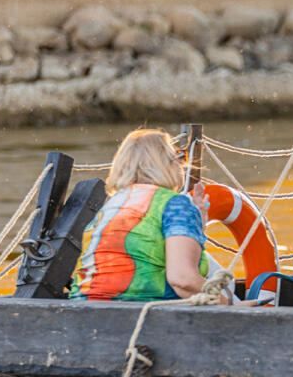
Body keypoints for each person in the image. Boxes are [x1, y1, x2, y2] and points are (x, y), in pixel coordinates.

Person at [70, 129, 234, 304]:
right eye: (179, 157)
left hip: (82, 304)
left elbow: (143, 250)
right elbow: (182, 279)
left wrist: (197, 225)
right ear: (165, 164)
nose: (183, 165)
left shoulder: (111, 205)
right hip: (140, 308)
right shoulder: (174, 203)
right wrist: (231, 306)